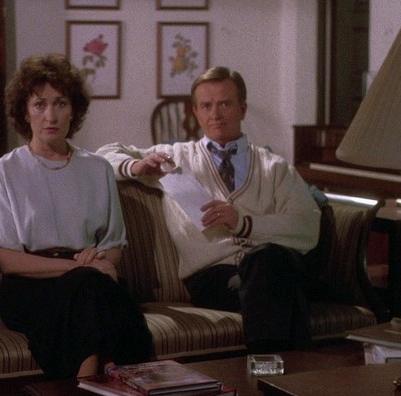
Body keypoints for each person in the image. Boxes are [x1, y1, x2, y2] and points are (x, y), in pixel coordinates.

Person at [97, 67, 320, 353]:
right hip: (214, 278)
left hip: (270, 267)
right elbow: (103, 155)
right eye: (206, 106)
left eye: (225, 104)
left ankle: (266, 368)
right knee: (281, 282)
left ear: (242, 109)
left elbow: (307, 225)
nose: (215, 114)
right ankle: (293, 371)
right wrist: (136, 166)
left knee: (268, 261)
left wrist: (244, 223)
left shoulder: (274, 166)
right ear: (195, 112)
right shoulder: (175, 158)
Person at [0, 54, 154, 380]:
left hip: (90, 279)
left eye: (60, 103)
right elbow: (9, 261)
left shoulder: (98, 169)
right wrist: (79, 268)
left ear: (74, 110)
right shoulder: (4, 171)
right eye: (39, 104)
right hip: (29, 286)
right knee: (92, 291)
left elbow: (113, 247)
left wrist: (97, 263)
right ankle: (110, 392)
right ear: (24, 111)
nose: (51, 116)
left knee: (91, 293)